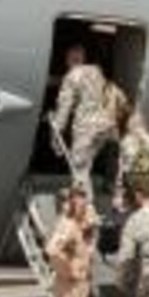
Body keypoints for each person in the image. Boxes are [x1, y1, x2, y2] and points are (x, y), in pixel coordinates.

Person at [50, 45, 119, 199]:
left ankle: (84, 207)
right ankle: (110, 190)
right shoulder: (97, 71)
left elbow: (64, 109)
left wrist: (56, 137)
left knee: (79, 169)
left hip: (87, 128)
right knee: (88, 162)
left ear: (70, 60)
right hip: (107, 125)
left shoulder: (72, 75)